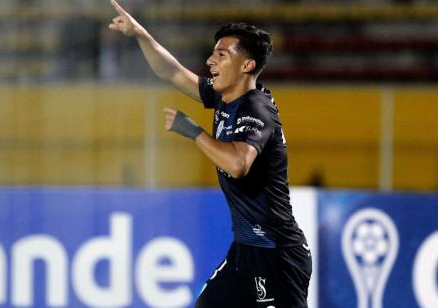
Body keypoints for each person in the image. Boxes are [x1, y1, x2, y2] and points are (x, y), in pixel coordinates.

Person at [109, 1, 311, 307]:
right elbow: (172, 73)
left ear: (247, 66)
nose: (210, 60)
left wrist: (194, 132)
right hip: (245, 250)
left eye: (221, 54)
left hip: (277, 254)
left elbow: (239, 164)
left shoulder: (257, 109)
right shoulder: (223, 97)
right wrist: (140, 35)